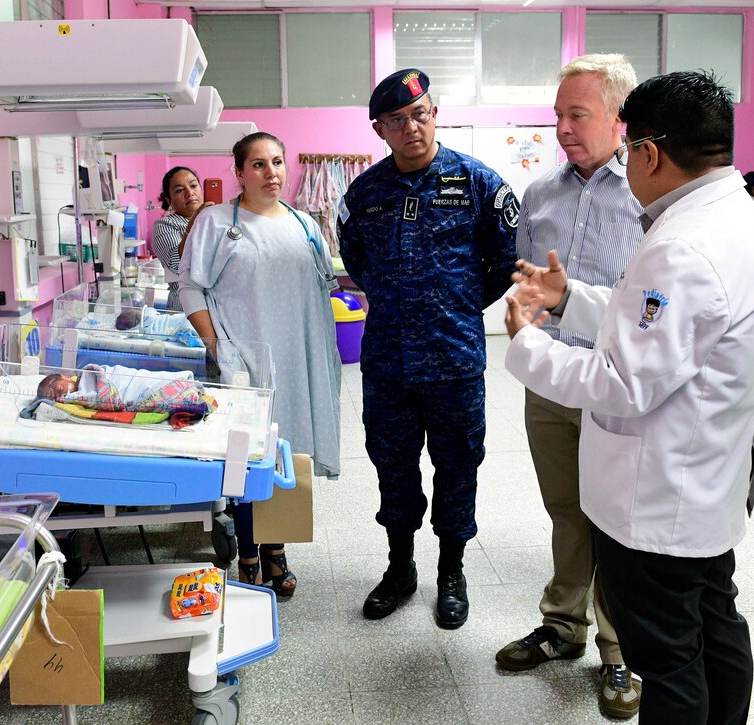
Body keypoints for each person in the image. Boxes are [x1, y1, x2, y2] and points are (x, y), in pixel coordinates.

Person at [504, 71, 754, 723]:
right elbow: (660, 329)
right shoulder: (738, 218)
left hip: (655, 502)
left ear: (648, 152)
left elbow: (621, 382)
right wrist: (571, 298)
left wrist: (526, 343)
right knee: (715, 628)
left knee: (667, 661)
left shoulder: (682, 245)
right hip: (707, 485)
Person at [338, 69, 519, 630]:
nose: (412, 127)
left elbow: (504, 262)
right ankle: (400, 568)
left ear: (435, 114)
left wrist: (459, 304)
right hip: (388, 364)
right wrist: (396, 300)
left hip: (454, 361)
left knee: (458, 467)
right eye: (397, 121)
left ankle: (451, 571)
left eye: (420, 115)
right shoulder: (364, 194)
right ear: (380, 129)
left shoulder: (479, 183)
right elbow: (357, 263)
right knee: (392, 468)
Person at [495, 54, 644, 718]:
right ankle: (562, 625)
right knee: (566, 508)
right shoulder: (540, 195)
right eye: (557, 115)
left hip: (617, 384)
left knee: (616, 518)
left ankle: (619, 650)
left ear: (619, 118)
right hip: (552, 378)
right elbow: (530, 279)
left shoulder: (648, 194)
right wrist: (526, 308)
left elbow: (653, 301)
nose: (562, 128)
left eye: (575, 115)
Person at [179, 131, 342, 597]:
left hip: (297, 360)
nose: (271, 173)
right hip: (245, 362)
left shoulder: (303, 223)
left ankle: (276, 550)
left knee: (286, 456)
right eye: (258, 165)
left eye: (277, 162)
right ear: (239, 173)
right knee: (248, 459)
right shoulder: (216, 222)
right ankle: (248, 555)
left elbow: (319, 288)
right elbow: (191, 287)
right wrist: (216, 346)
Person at [151, 167, 211, 311]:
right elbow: (177, 263)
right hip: (185, 309)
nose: (190, 193)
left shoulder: (214, 219)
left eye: (193, 185)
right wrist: (194, 221)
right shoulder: (166, 225)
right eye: (179, 190)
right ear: (169, 200)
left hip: (218, 306)